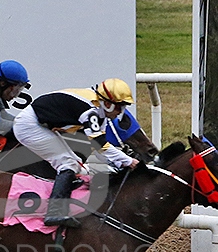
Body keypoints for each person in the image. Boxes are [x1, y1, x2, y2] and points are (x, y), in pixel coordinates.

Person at [12, 77, 139, 228]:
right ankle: (54, 212)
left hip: (39, 123)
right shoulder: (90, 111)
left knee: (77, 165)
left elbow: (99, 149)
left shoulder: (99, 111)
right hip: (30, 125)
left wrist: (119, 164)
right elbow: (100, 145)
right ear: (108, 104)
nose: (121, 112)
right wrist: (128, 161)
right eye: (120, 107)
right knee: (68, 164)